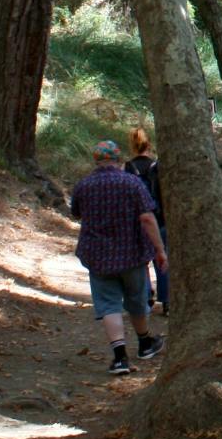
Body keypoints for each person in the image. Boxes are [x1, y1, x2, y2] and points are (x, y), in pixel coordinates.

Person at [69, 139, 167, 375]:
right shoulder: (132, 183)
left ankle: (120, 357)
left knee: (108, 304)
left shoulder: (84, 185)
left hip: (98, 257)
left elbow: (77, 213)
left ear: (96, 161)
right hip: (131, 254)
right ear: (119, 161)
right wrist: (160, 250)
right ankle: (144, 343)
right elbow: (147, 218)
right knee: (137, 300)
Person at [125, 126, 168, 314]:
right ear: (149, 144)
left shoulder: (128, 167)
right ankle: (167, 301)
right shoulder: (157, 166)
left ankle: (146, 296)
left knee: (141, 261)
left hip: (137, 221)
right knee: (162, 259)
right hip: (159, 218)